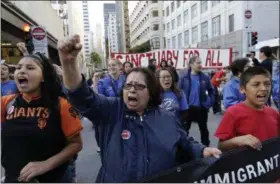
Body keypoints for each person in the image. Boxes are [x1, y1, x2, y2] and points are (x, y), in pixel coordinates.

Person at [58, 34, 221, 183]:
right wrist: (68, 63)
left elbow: (185, 142)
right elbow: (81, 96)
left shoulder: (168, 118)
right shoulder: (111, 110)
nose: (132, 89)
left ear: (150, 92)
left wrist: (203, 150)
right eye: (128, 85)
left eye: (139, 86)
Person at [1, 53, 83, 183]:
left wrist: (45, 165)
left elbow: (76, 144)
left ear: (43, 76)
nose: (22, 71)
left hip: (54, 179)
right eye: (19, 67)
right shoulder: (6, 103)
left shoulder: (61, 105)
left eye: (30, 68)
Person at [215, 66, 279, 152]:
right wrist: (238, 140)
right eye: (256, 84)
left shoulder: (274, 113)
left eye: (267, 84)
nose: (264, 88)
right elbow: (221, 146)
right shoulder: (233, 113)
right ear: (242, 89)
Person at [178, 56, 215, 147]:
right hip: (187, 108)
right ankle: (183, 148)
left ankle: (206, 147)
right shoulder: (184, 77)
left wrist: (209, 103)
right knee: (185, 129)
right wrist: (181, 105)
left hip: (201, 108)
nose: (200, 65)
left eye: (200, 63)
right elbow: (178, 91)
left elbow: (211, 90)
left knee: (203, 129)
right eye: (198, 63)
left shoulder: (205, 77)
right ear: (191, 64)